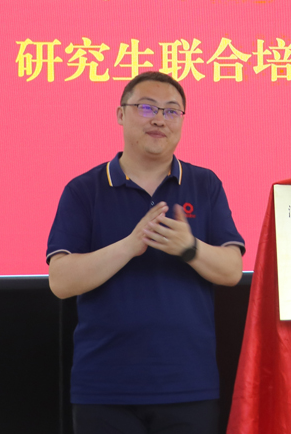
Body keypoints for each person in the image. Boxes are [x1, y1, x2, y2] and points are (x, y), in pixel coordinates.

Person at [46, 71, 244, 434]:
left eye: (171, 111)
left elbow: (232, 270)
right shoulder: (84, 190)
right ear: (121, 114)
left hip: (188, 384)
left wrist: (189, 248)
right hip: (104, 387)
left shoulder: (205, 184)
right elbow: (60, 281)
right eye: (147, 107)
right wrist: (129, 245)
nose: (159, 119)